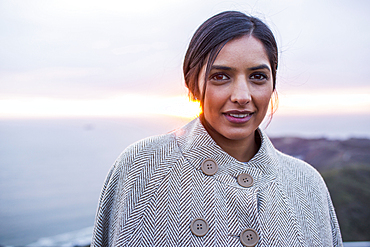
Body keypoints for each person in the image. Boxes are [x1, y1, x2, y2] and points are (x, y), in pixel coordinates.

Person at [91, 11, 343, 247]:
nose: (242, 96)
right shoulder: (143, 165)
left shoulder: (307, 184)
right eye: (220, 76)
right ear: (193, 86)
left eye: (257, 77)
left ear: (272, 85)